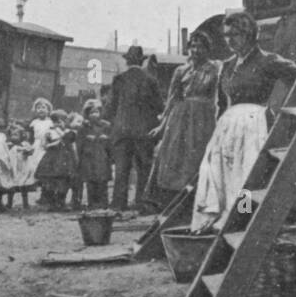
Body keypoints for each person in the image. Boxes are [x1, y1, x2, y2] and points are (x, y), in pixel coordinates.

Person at [191, 13, 296, 233]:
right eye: (226, 35)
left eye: (235, 35)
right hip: (228, 127)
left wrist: (285, 112)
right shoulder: (228, 65)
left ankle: (242, 219)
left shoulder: (268, 61)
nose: (230, 40)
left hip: (255, 125)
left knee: (247, 175)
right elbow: (222, 103)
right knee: (221, 175)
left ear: (249, 34)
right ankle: (221, 220)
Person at [146, 30, 220, 210]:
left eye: (200, 47)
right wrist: (162, 126)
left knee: (198, 158)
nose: (196, 50)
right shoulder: (181, 70)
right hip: (180, 119)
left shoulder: (215, 69)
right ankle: (174, 203)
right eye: (193, 46)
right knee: (174, 157)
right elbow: (172, 99)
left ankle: (199, 200)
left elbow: (219, 97)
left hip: (204, 119)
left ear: (207, 49)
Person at [105, 45, 163, 213]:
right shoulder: (151, 79)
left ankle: (118, 204)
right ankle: (142, 203)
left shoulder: (119, 79)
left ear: (127, 61)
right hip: (143, 131)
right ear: (141, 60)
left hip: (121, 130)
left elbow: (110, 107)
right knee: (144, 168)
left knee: (122, 169)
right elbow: (159, 106)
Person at [35, 110, 76, 211]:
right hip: (52, 159)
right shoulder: (49, 132)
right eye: (56, 121)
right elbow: (44, 145)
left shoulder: (68, 132)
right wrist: (55, 143)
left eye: (62, 121)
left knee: (64, 182)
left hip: (65, 160)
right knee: (51, 183)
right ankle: (52, 204)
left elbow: (70, 143)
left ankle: (61, 202)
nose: (59, 124)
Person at [76, 99, 113, 208]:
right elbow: (79, 144)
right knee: (90, 181)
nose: (94, 115)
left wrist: (106, 139)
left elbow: (111, 141)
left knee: (102, 181)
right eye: (91, 112)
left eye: (96, 112)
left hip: (102, 156)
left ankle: (103, 203)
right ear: (87, 114)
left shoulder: (106, 126)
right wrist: (86, 142)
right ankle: (92, 203)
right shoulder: (83, 127)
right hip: (89, 157)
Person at [26, 97, 55, 205]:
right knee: (36, 169)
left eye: (43, 107)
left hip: (47, 147)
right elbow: (30, 137)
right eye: (38, 108)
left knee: (47, 170)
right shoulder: (34, 123)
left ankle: (47, 194)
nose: (41, 110)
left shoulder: (51, 122)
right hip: (37, 147)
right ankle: (41, 193)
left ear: (48, 110)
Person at [5, 123, 36, 211]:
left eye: (16, 135)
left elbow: (30, 152)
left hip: (23, 168)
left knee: (24, 186)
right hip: (13, 168)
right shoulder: (9, 145)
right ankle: (9, 203)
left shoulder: (24, 144)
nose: (13, 137)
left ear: (22, 135)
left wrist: (26, 150)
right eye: (12, 135)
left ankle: (25, 204)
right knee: (11, 186)